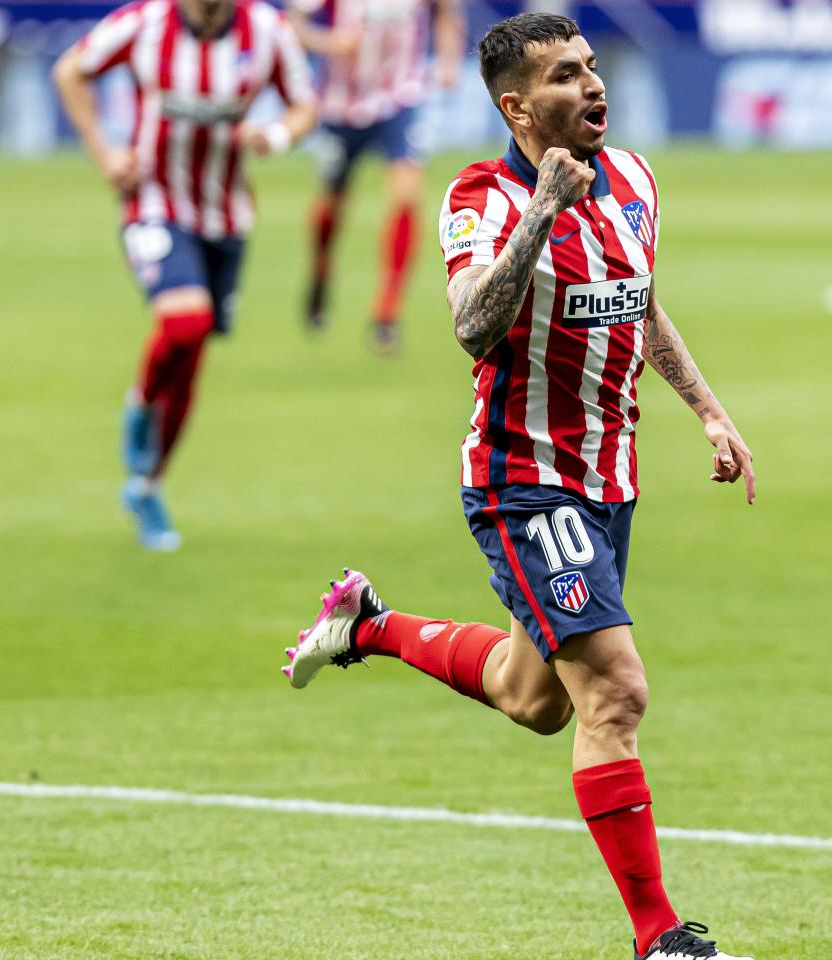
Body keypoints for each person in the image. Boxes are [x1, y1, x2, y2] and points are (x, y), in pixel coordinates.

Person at [284, 14, 758, 959]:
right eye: (565, 76)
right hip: (523, 481)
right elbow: (472, 324)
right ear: (518, 108)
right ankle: (662, 941)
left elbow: (640, 302)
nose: (593, 85)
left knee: (534, 698)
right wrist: (542, 208)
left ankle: (367, 624)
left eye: (592, 67)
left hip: (609, 481)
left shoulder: (636, 180)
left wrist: (709, 410)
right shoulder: (482, 197)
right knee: (615, 692)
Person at [54, 0, 317, 551]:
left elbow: (304, 105)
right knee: (185, 323)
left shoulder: (266, 30)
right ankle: (139, 403)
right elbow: (70, 71)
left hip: (227, 216)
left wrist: (276, 137)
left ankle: (147, 486)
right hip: (153, 201)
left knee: (193, 354)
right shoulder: (145, 23)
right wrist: (104, 153)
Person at [286, 0, 466, 353]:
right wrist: (328, 41)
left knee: (406, 195)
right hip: (340, 105)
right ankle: (320, 273)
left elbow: (447, 11)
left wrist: (449, 62)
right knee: (331, 205)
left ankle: (387, 314)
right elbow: (295, 24)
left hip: (401, 100)